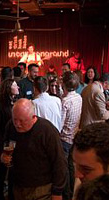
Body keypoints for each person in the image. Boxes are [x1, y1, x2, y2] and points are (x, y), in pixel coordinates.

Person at [2, 98, 67, 200]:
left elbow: (59, 162)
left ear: (33, 117)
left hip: (41, 188)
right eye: (15, 119)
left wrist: (57, 191)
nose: (17, 124)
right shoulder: (10, 126)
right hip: (18, 185)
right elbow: (5, 147)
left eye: (22, 121)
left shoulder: (46, 130)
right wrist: (3, 157)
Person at [0, 79, 19, 200]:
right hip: (2, 144)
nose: (18, 87)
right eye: (15, 85)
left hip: (14, 143)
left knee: (13, 174)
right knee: (0, 175)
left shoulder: (16, 101)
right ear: (8, 88)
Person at [61, 71, 82, 200]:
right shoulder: (78, 97)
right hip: (74, 136)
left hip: (64, 138)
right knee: (70, 166)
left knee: (64, 169)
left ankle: (67, 195)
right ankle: (71, 192)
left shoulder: (65, 101)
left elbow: (60, 123)